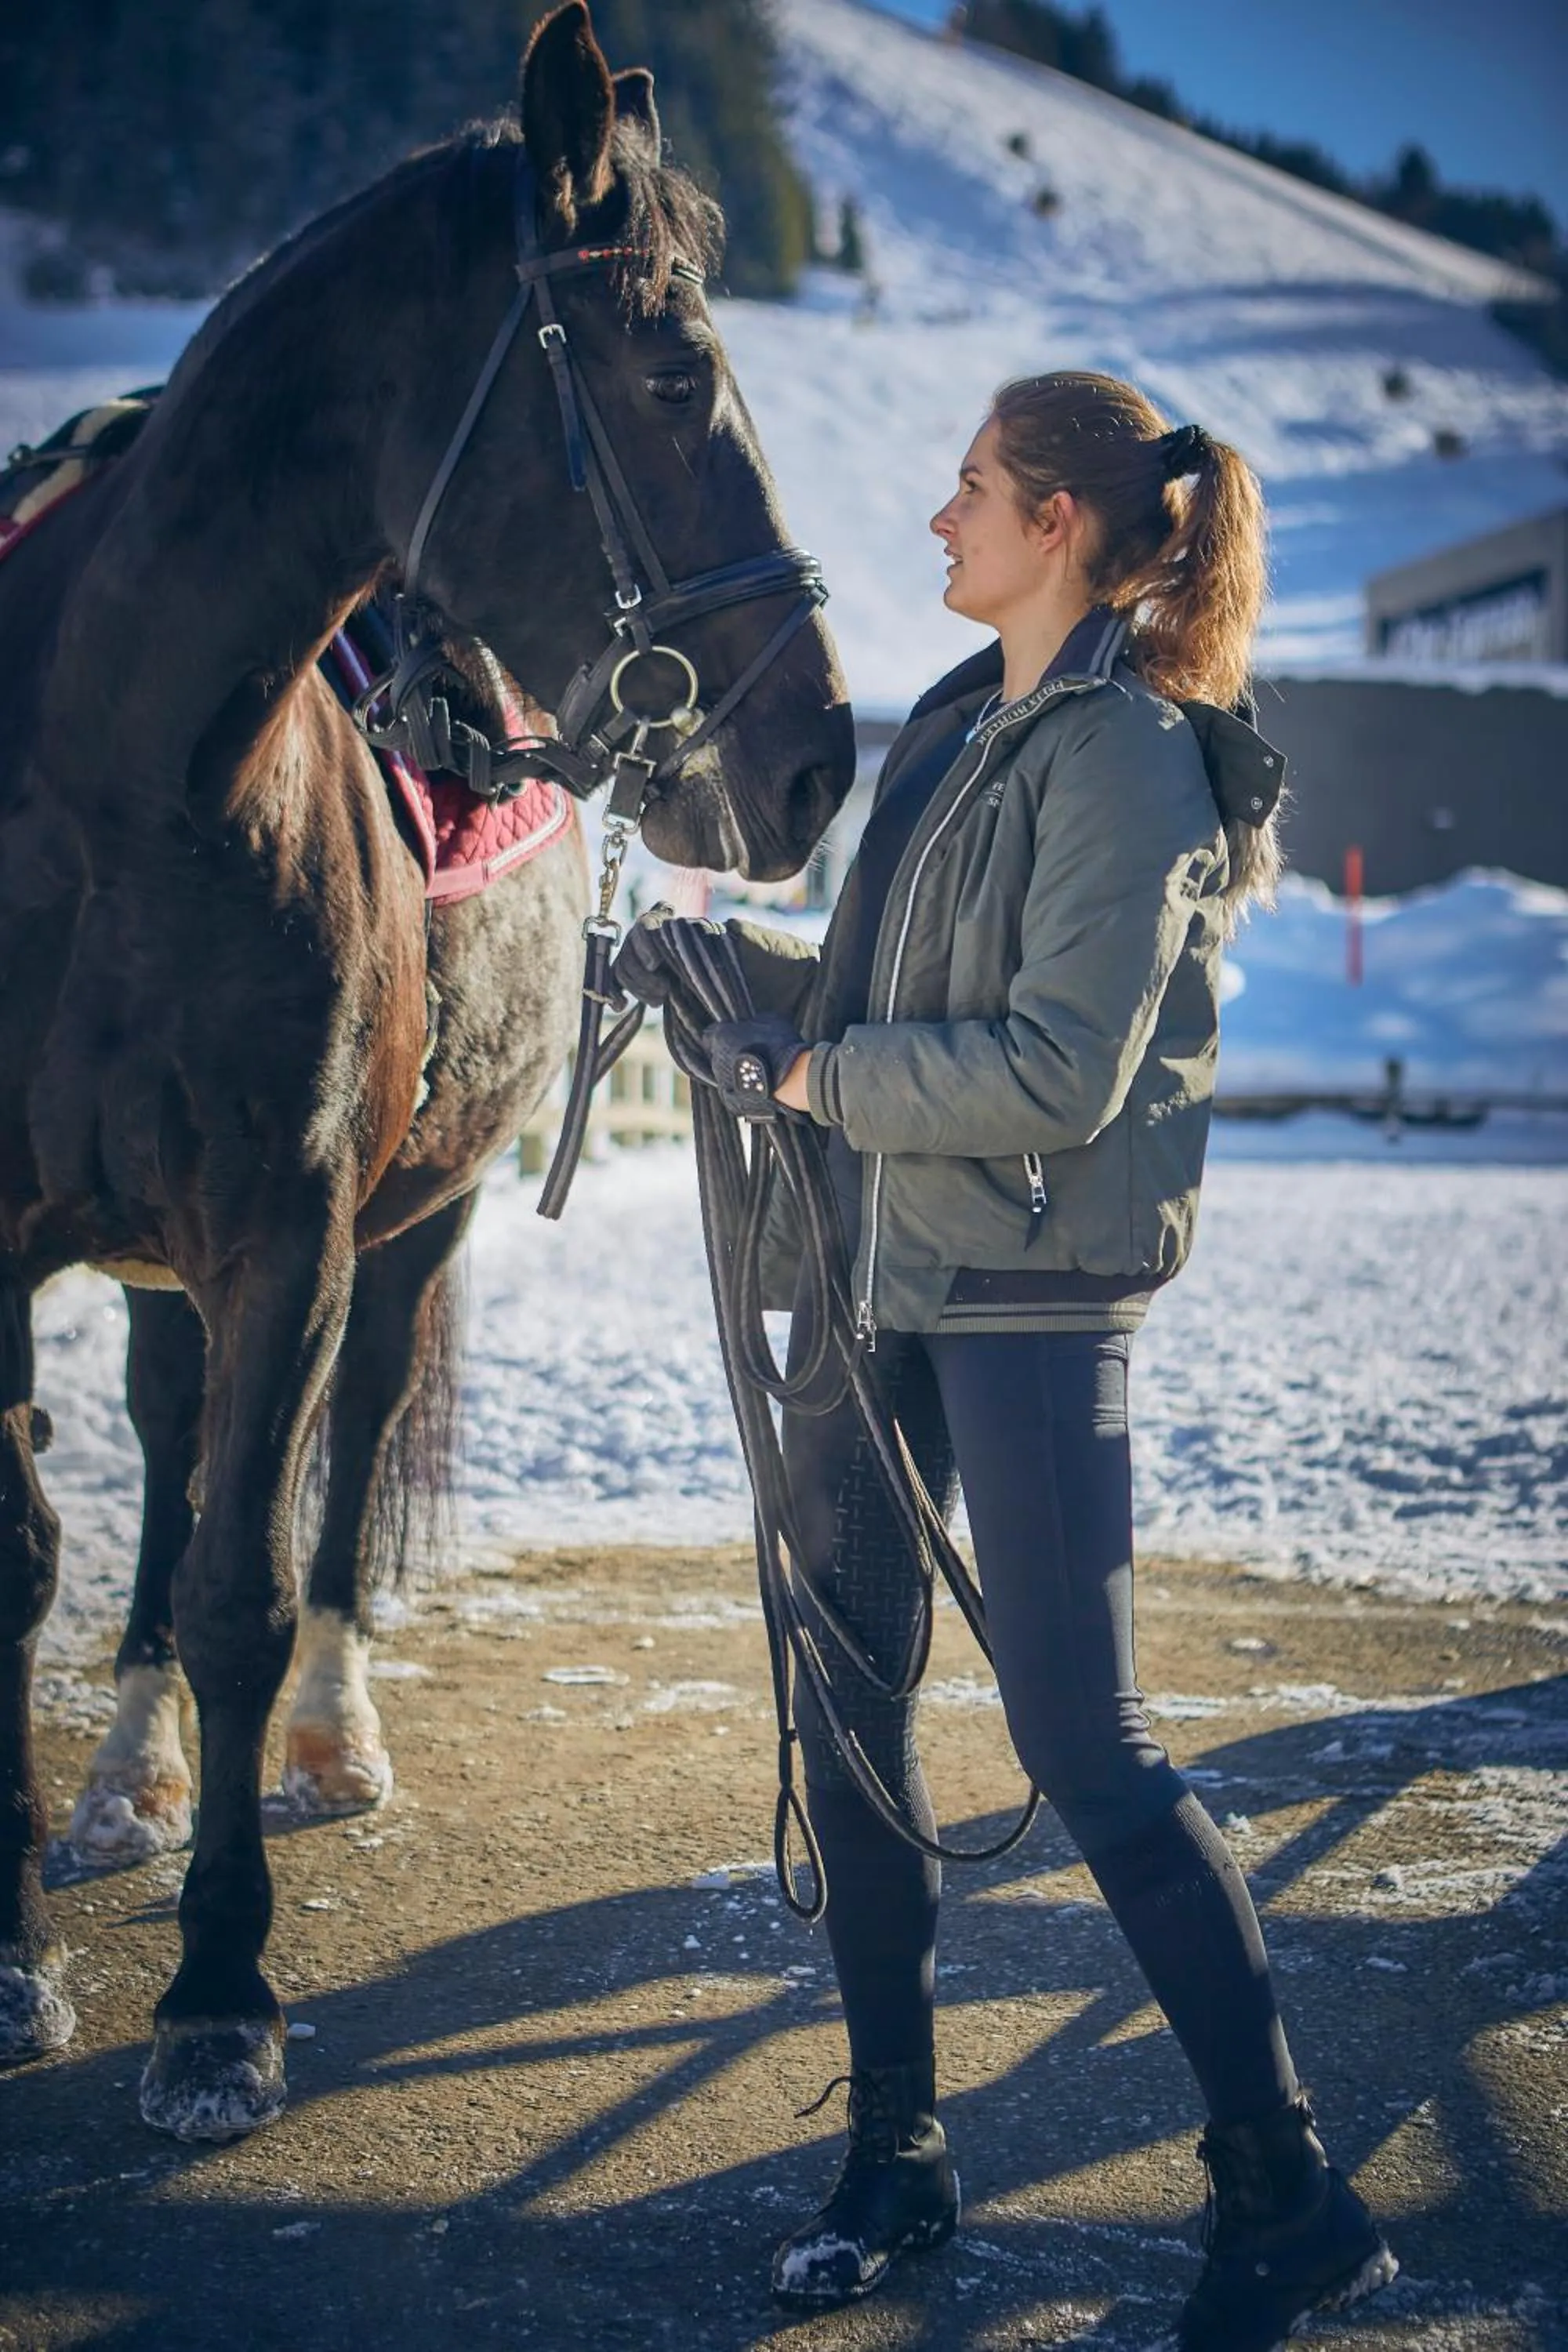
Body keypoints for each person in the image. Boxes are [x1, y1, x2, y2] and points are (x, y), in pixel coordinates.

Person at [613, 371, 1396, 2352]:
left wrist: (813, 1069)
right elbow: (896, 1005)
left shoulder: (1127, 759)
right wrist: (737, 989)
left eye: (968, 489)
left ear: (1058, 522)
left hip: (1032, 1307)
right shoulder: (965, 727)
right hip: (878, 1281)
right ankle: (897, 2149)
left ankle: (1288, 2193)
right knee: (848, 1702)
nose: (937, 522)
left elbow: (1061, 1067)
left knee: (1091, 1752)